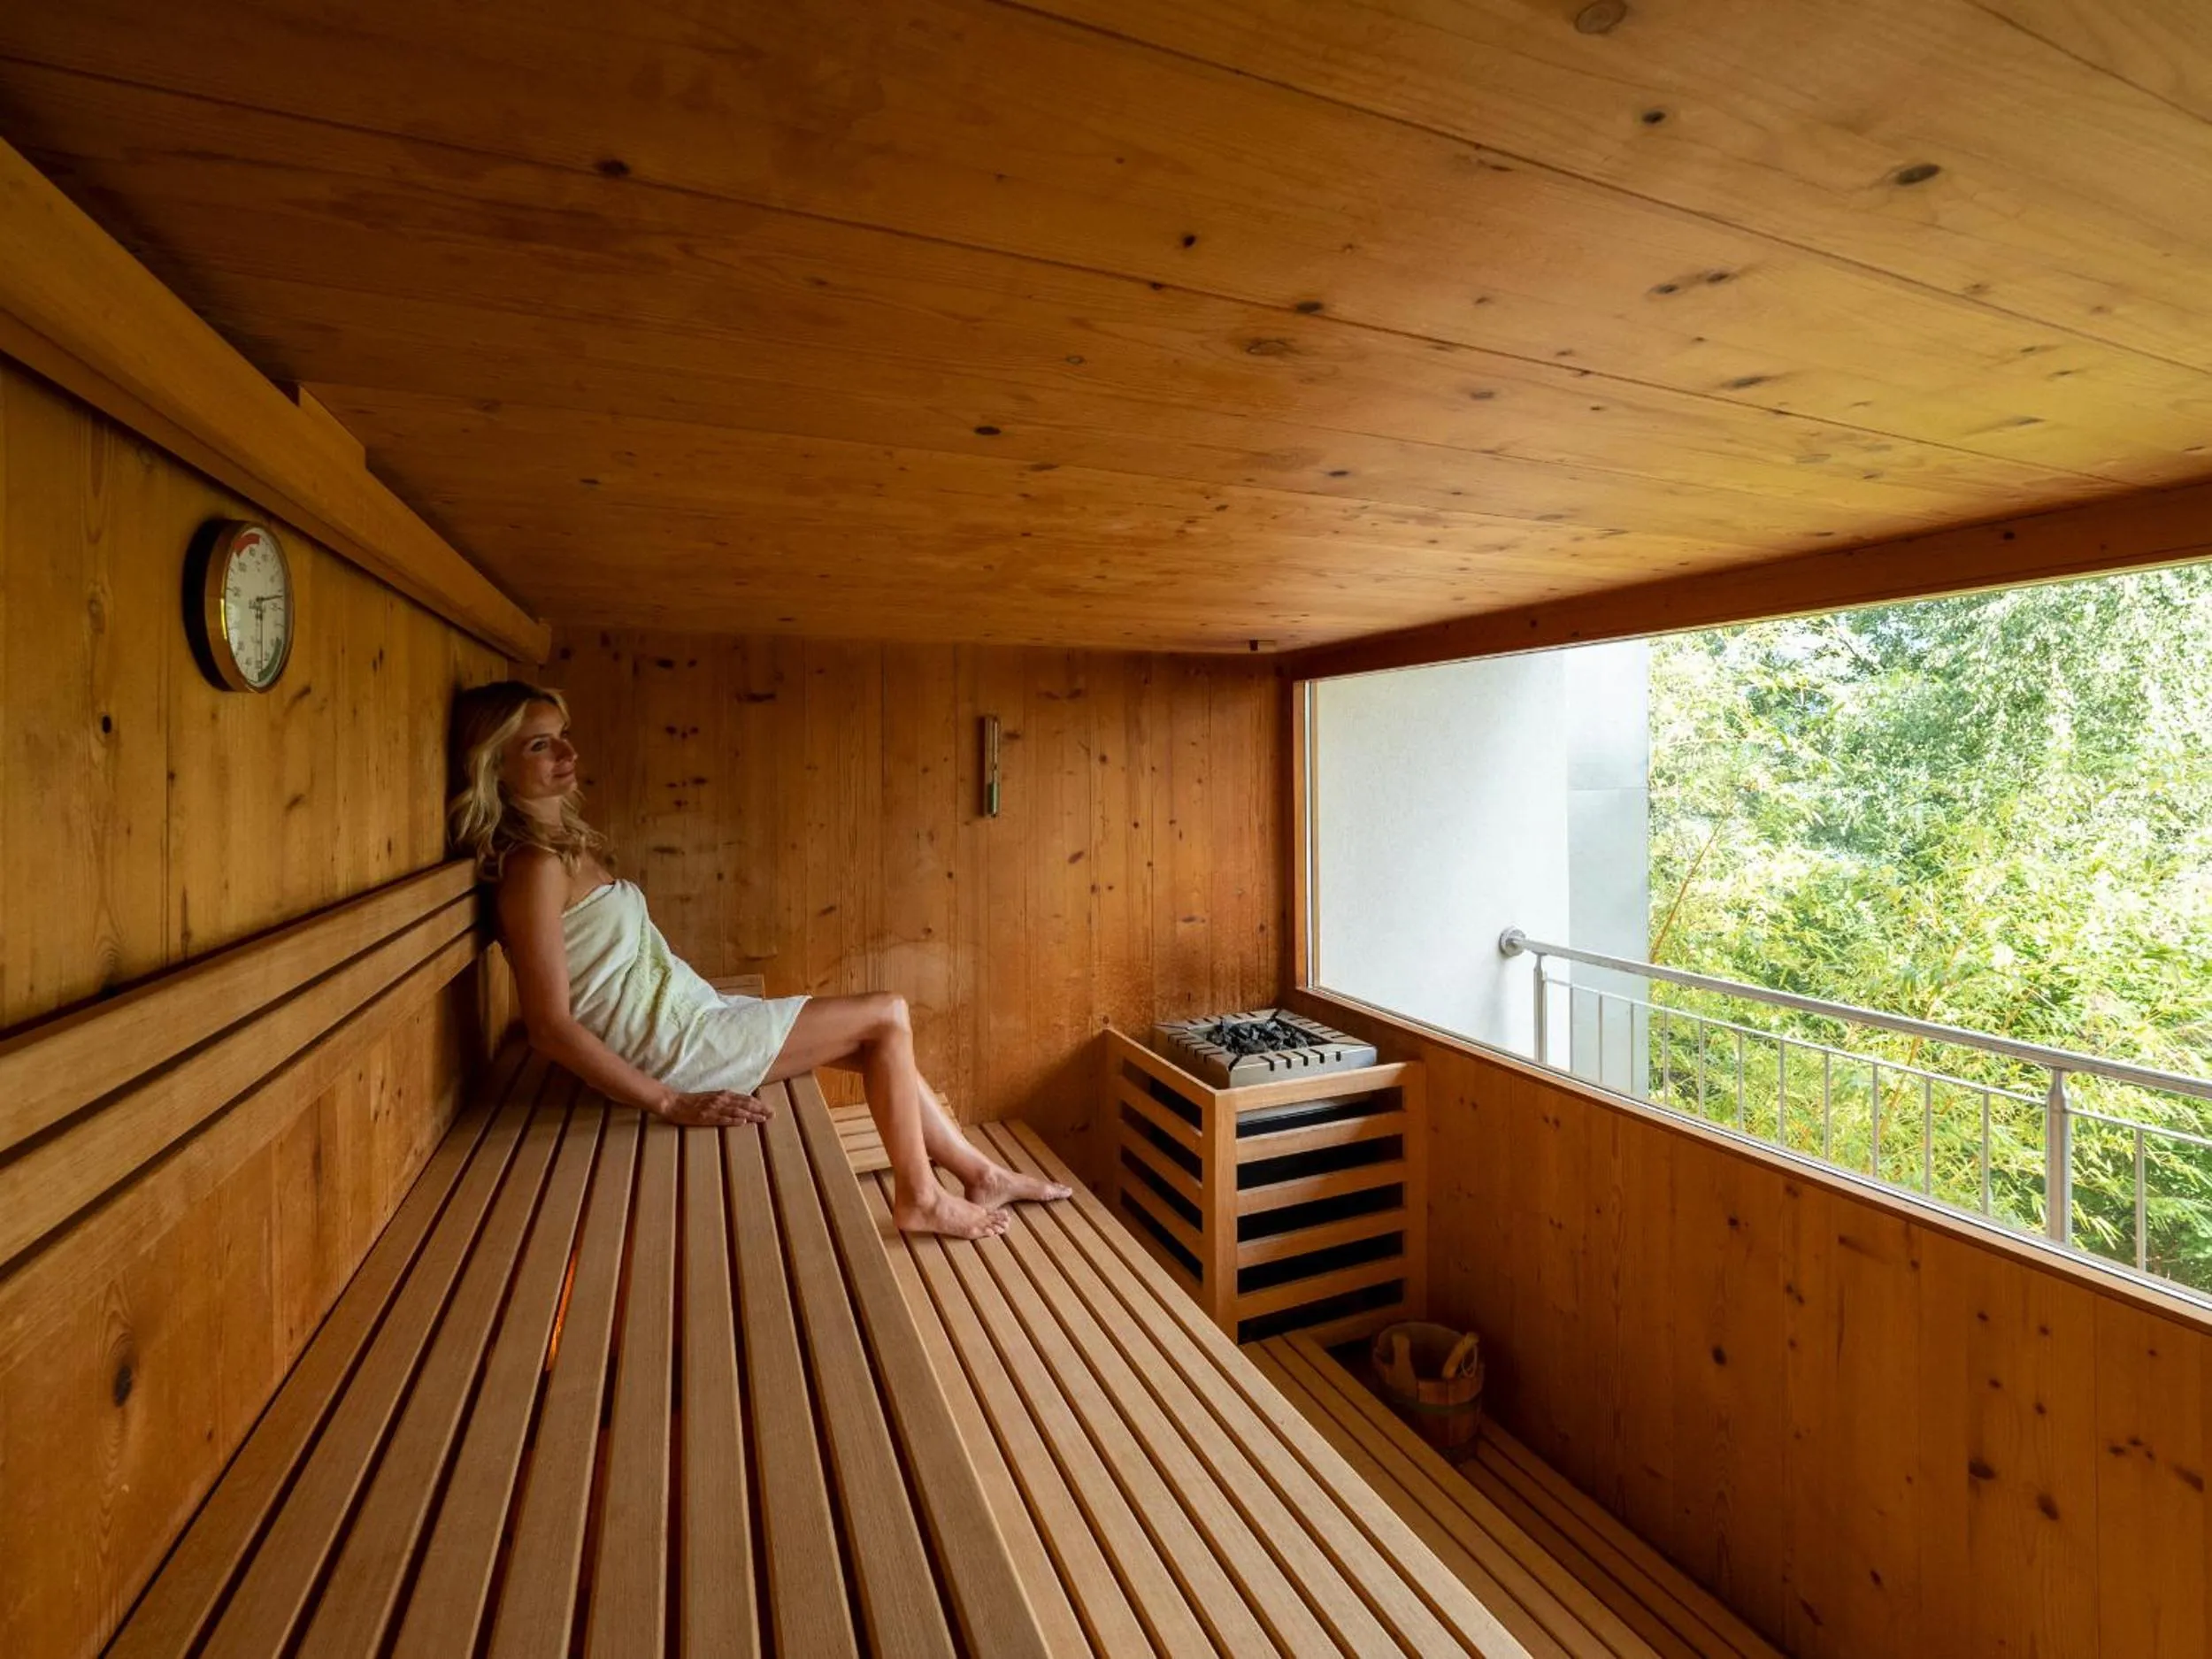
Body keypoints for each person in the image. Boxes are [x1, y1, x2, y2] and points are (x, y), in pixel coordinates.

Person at [448, 680, 1068, 1240]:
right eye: (538, 746)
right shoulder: (532, 869)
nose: (566, 755)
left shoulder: (559, 850)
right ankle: (922, 1196)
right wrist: (667, 1100)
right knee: (887, 1014)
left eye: (563, 737)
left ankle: (977, 1171)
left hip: (689, 1019)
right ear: (493, 766)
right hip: (672, 1050)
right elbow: (550, 1024)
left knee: (881, 1042)